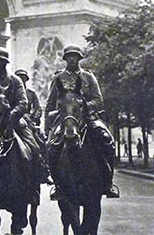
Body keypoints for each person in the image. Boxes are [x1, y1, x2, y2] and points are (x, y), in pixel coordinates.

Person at [45, 44, 120, 199]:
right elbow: (50, 103)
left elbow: (98, 100)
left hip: (88, 117)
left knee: (107, 140)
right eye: (69, 56)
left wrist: (84, 106)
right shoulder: (58, 78)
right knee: (52, 147)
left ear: (79, 58)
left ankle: (108, 183)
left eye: (75, 56)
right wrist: (48, 127)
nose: (72, 59)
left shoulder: (88, 77)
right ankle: (58, 185)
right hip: (65, 119)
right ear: (65, 59)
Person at [0, 47, 42, 203]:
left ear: (6, 62)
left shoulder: (15, 81)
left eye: (1, 61)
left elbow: (23, 102)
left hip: (13, 122)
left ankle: (33, 189)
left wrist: (12, 115)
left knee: (35, 148)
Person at [14, 68, 52, 185]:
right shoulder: (10, 93)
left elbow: (38, 109)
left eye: (23, 77)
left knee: (40, 143)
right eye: (19, 77)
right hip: (13, 121)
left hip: (28, 124)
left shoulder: (31, 93)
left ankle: (44, 170)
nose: (21, 79)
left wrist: (33, 117)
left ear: (26, 79)